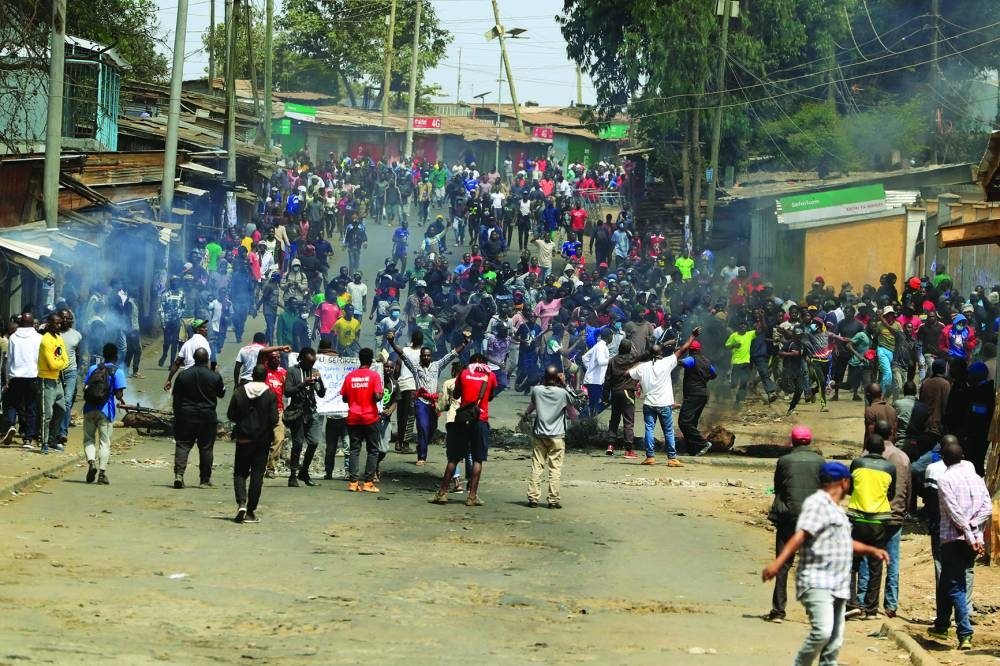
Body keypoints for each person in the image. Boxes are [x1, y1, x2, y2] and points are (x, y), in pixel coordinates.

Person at [761, 462, 889, 666]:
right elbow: (801, 534)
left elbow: (843, 541)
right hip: (818, 580)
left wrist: (871, 550)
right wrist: (777, 563)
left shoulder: (836, 510)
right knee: (823, 631)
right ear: (844, 482)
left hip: (838, 584)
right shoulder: (818, 504)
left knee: (834, 642)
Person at [927, 439, 991, 651]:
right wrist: (975, 532)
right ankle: (941, 626)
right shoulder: (976, 478)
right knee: (947, 581)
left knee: (956, 587)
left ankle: (964, 633)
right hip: (972, 540)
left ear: (944, 460)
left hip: (954, 540)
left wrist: (970, 534)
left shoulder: (945, 479)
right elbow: (986, 508)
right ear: (962, 456)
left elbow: (955, 514)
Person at [764, 425, 824, 624]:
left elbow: (778, 487)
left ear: (793, 441)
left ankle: (778, 611)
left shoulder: (784, 460)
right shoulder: (820, 461)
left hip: (788, 517)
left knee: (783, 564)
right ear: (810, 441)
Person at [387, 330, 470, 465]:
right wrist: (391, 342)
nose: (426, 358)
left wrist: (465, 343)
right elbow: (402, 354)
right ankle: (422, 457)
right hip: (420, 401)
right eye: (424, 356)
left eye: (428, 356)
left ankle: (422, 445)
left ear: (431, 357)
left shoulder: (437, 366)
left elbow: (451, 355)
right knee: (422, 426)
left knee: (431, 429)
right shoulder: (415, 367)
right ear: (421, 356)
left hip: (434, 403)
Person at [857, 420, 911, 619]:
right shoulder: (902, 457)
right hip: (894, 516)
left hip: (870, 516)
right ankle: (890, 605)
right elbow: (908, 489)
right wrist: (903, 511)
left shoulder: (864, 458)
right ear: (893, 433)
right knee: (892, 561)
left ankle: (863, 601)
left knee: (866, 558)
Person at [430, 353, 497, 507]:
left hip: (463, 419)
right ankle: (472, 496)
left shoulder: (464, 374)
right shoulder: (490, 376)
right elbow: (491, 396)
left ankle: (442, 494)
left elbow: (457, 393)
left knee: (454, 458)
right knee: (477, 459)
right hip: (480, 420)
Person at [627, 327, 701, 466]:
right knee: (668, 430)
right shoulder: (667, 362)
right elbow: (683, 349)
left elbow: (627, 373)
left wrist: (640, 360)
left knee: (649, 428)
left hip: (649, 403)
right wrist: (692, 336)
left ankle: (650, 457)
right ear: (661, 353)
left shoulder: (643, 366)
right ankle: (672, 458)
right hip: (664, 404)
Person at [846, 434, 895, 619]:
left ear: (866, 448)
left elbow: (850, 489)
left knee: (851, 564)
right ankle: (871, 608)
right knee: (876, 565)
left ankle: (852, 603)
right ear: (883, 450)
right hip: (879, 522)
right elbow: (891, 494)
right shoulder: (889, 467)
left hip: (857, 520)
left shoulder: (857, 464)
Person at [227, 364, 279, 524]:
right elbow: (274, 419)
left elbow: (231, 414)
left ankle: (241, 503)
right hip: (262, 440)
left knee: (240, 472)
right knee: (257, 475)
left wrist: (243, 421)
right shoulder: (270, 394)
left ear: (252, 376)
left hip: (243, 438)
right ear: (265, 377)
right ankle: (250, 511)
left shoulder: (240, 391)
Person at [524, 365, 578, 509]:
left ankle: (533, 498)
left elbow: (533, 404)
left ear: (544, 377)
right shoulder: (562, 393)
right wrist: (564, 383)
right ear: (557, 378)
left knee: (537, 466)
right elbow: (575, 400)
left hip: (540, 434)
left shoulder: (537, 390)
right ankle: (553, 501)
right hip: (557, 436)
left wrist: (526, 414)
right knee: (555, 469)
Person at [171, 348, 225, 489]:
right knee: (206, 448)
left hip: (186, 415)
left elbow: (176, 398)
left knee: (183, 444)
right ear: (207, 360)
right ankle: (205, 480)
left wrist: (177, 415)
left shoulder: (183, 375)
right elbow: (221, 394)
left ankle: (179, 475)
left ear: (194, 359)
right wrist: (217, 373)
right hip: (207, 416)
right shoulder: (214, 376)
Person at [340, 347, 383, 492]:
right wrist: (379, 395)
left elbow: (345, 397)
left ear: (359, 359)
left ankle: (353, 483)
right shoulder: (374, 376)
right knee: (373, 450)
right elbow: (377, 396)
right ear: (371, 360)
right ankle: (368, 483)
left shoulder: (350, 376)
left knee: (354, 450)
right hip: (370, 418)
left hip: (353, 418)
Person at [284, 347, 326, 487]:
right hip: (297, 412)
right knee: (297, 444)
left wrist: (320, 382)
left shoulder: (313, 372)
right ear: (301, 359)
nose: (311, 365)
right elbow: (288, 392)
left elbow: (320, 394)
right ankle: (293, 475)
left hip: (311, 411)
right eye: (309, 362)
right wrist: (303, 384)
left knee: (314, 442)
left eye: (313, 363)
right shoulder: (292, 371)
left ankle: (304, 471)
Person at [6, 313, 42, 446]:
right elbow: (40, 358)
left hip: (16, 375)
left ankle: (11, 424)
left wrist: (8, 377)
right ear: (33, 323)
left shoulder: (13, 337)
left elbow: (9, 359)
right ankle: (28, 438)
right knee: (31, 407)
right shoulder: (39, 337)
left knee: (12, 403)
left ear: (21, 323)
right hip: (32, 375)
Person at [678, 339, 716, 457]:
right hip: (703, 394)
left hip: (693, 394)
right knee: (691, 423)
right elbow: (714, 374)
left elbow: (681, 363)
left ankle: (703, 443)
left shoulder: (692, 359)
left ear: (691, 350)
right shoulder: (707, 361)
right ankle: (692, 450)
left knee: (684, 422)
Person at [37, 311, 68, 454]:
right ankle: (44, 443)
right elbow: (51, 364)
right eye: (56, 323)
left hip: (57, 380)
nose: (59, 325)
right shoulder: (46, 340)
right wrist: (59, 362)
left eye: (60, 323)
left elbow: (66, 360)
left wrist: (59, 363)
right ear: (50, 324)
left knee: (61, 409)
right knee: (47, 413)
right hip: (46, 380)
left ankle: (52, 439)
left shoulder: (59, 339)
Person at [603, 339, 637, 457]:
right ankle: (628, 449)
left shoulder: (612, 361)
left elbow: (607, 380)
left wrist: (605, 397)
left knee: (614, 419)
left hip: (615, 392)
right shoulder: (633, 360)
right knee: (628, 420)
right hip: (628, 392)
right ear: (629, 349)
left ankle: (610, 446)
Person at [163, 319, 213, 392]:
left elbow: (177, 362)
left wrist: (169, 379)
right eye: (203, 327)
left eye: (205, 327)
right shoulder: (204, 343)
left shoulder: (187, 344)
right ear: (197, 330)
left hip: (186, 376)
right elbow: (207, 362)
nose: (206, 329)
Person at [57, 308, 82, 443]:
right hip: (55, 372)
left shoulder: (77, 335)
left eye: (67, 318)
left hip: (71, 372)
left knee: (67, 401)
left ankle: (62, 432)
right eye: (62, 318)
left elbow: (78, 354)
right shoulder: (53, 335)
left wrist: (77, 370)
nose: (65, 320)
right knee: (58, 402)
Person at [581, 328, 611, 416]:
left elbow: (585, 358)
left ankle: (586, 418)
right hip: (595, 382)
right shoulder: (601, 347)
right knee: (596, 403)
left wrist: (590, 368)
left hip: (594, 380)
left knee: (594, 403)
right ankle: (582, 418)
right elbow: (601, 361)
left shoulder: (599, 345)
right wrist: (611, 360)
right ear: (609, 337)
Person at [725, 320, 755, 405]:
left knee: (743, 382)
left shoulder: (750, 334)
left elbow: (760, 331)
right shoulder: (734, 335)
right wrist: (734, 345)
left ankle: (738, 400)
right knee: (734, 384)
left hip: (746, 362)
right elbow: (726, 346)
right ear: (738, 326)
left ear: (747, 327)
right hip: (736, 363)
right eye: (741, 325)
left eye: (745, 325)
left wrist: (761, 317)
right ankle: (725, 389)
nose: (743, 327)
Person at [158, 277, 186, 367]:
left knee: (175, 343)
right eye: (173, 282)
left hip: (177, 321)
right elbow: (161, 309)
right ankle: (164, 355)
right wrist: (162, 322)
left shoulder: (182, 294)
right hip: (167, 321)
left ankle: (171, 363)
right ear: (170, 283)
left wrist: (179, 314)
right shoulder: (165, 294)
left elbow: (183, 306)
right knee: (166, 342)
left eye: (177, 282)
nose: (175, 283)